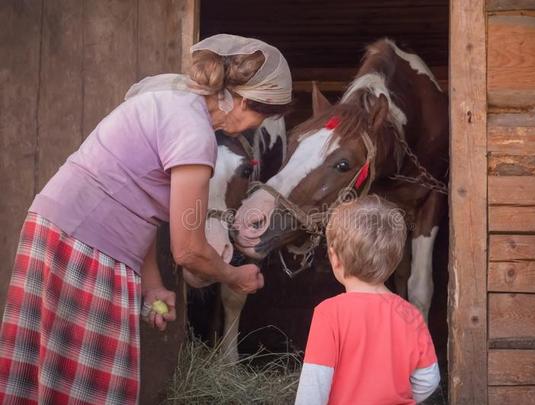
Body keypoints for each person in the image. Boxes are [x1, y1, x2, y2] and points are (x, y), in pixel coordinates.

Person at [0, 34, 292, 404]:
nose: (253, 127)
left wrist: (152, 285)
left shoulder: (173, 99)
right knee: (93, 392)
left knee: (45, 380)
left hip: (58, 232)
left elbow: (139, 206)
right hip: (85, 246)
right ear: (246, 101)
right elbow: (188, 250)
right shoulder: (195, 133)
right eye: (260, 117)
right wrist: (235, 275)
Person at [295, 195, 440, 405]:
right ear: (396, 259)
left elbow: (314, 387)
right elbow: (429, 379)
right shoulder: (411, 314)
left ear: (334, 258)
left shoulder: (329, 314)